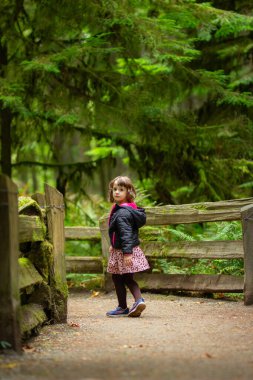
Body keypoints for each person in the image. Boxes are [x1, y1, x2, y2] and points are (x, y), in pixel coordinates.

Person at [106, 175, 150, 317]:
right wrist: (113, 244)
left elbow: (125, 233)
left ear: (128, 192)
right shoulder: (126, 209)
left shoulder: (122, 213)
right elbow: (120, 232)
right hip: (122, 249)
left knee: (123, 278)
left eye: (121, 189)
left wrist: (127, 253)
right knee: (122, 277)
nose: (117, 192)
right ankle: (135, 302)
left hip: (125, 251)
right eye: (115, 189)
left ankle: (128, 304)